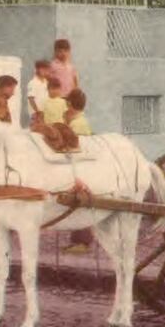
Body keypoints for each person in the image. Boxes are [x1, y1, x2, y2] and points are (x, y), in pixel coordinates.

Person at [63, 88, 94, 254]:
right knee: (76, 204)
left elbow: (76, 151)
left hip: (80, 166)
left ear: (69, 104)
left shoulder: (77, 124)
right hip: (79, 164)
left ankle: (83, 242)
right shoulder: (78, 121)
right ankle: (77, 241)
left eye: (67, 102)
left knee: (80, 203)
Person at [27, 60, 50, 125]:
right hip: (36, 113)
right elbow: (31, 99)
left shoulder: (46, 82)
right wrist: (37, 111)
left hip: (45, 112)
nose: (46, 72)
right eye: (44, 69)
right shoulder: (33, 83)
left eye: (47, 70)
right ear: (38, 69)